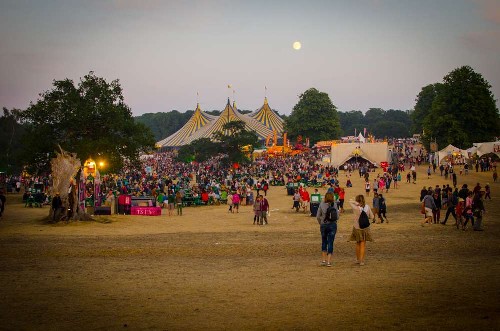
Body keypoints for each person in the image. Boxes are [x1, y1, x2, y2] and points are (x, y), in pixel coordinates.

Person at [348, 194, 374, 266]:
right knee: (363, 244)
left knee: (358, 243)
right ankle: (362, 261)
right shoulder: (367, 207)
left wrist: (356, 203)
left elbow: (350, 202)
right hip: (365, 228)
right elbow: (372, 216)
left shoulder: (356, 208)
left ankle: (358, 259)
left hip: (357, 227)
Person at [316, 192, 339, 267]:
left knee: (324, 242)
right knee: (330, 242)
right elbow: (337, 217)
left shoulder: (322, 204)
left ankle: (323, 260)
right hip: (332, 225)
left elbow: (318, 216)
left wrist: (321, 223)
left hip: (323, 225)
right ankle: (329, 261)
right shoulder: (334, 204)